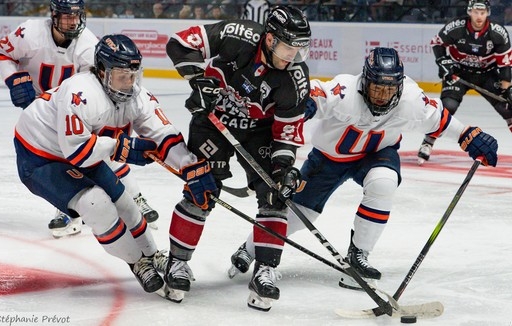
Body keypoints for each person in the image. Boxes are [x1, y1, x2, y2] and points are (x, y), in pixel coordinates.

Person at [228, 47, 498, 291]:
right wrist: (301, 107)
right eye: (377, 88)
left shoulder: (411, 99)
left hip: (377, 155)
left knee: (384, 183)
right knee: (298, 216)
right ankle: (251, 248)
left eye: (389, 90)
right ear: (365, 81)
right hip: (328, 160)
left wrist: (470, 136)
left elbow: (439, 119)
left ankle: (359, 255)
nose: (382, 96)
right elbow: (308, 95)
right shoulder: (344, 90)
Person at [13, 33, 218, 295]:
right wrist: (122, 147)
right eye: (122, 75)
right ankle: (138, 262)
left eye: (134, 74)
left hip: (80, 150)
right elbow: (78, 152)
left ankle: (153, 254)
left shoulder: (137, 95)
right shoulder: (79, 92)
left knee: (126, 204)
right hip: (38, 155)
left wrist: (190, 166)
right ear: (101, 71)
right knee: (95, 203)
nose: (129, 83)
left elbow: (162, 133)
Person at [164, 5, 311, 310]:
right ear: (269, 39)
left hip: (258, 132)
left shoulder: (295, 80)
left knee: (275, 194)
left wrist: (284, 168)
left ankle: (265, 271)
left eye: (299, 50)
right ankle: (176, 264)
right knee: (201, 188)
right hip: (213, 120)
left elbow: (286, 134)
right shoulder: (237, 34)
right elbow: (178, 42)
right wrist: (198, 81)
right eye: (287, 47)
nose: (292, 57)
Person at [0, 0, 159, 237]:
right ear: (53, 15)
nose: (73, 22)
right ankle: (66, 207)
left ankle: (134, 197)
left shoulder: (88, 45)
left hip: (77, 107)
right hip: (44, 109)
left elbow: (97, 85)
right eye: (66, 17)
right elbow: (2, 53)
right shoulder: (29, 32)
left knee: (97, 150)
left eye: (77, 16)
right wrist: (14, 79)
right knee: (55, 157)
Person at [417, 0, 512, 165]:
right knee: (448, 106)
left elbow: (505, 64)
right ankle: (428, 141)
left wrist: (506, 89)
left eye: (482, 13)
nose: (479, 16)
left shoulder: (498, 33)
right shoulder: (456, 26)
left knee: (508, 108)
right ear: (469, 12)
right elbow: (437, 43)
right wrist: (443, 62)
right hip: (459, 73)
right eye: (476, 12)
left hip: (487, 74)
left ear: (488, 13)